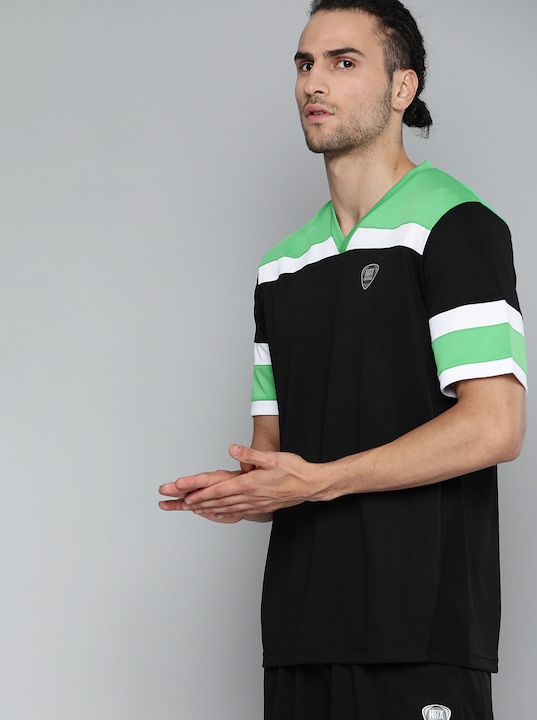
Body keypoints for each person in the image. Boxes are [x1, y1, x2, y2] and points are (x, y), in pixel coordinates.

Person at [159, 1, 527, 717]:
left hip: (418, 633)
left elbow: (495, 426)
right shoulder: (280, 268)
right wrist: (243, 491)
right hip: (298, 634)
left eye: (343, 61)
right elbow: (276, 457)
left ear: (402, 87)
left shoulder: (456, 227)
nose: (314, 82)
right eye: (305, 63)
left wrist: (322, 482)